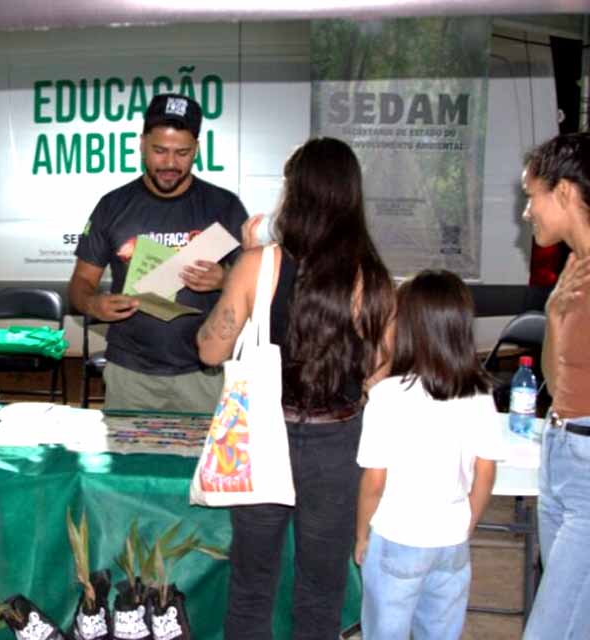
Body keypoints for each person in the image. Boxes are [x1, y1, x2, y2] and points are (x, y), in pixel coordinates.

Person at [197, 137, 395, 639]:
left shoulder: (258, 264)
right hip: (338, 444)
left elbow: (209, 351)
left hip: (264, 436)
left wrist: (242, 270)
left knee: (252, 581)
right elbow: (382, 370)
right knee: (322, 584)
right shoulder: (371, 277)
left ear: (296, 193)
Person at [70, 93, 252, 413]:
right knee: (128, 464)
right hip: (131, 374)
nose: (170, 164)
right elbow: (80, 283)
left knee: (200, 464)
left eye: (182, 152)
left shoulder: (224, 206)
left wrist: (225, 280)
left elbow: (258, 284)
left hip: (204, 371)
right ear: (141, 145)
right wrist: (92, 303)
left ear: (196, 148)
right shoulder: (113, 206)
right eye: (159, 151)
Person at [355, 270, 502, 640]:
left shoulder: (386, 397)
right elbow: (485, 473)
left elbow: (374, 480)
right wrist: (467, 522)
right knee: (440, 630)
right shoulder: (480, 395)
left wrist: (361, 536)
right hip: (452, 540)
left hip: (395, 537)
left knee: (384, 630)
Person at [521, 132, 590, 640]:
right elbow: (555, 377)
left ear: (565, 192)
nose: (527, 211)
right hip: (560, 445)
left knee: (551, 628)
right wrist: (553, 311)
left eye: (532, 195)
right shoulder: (572, 265)